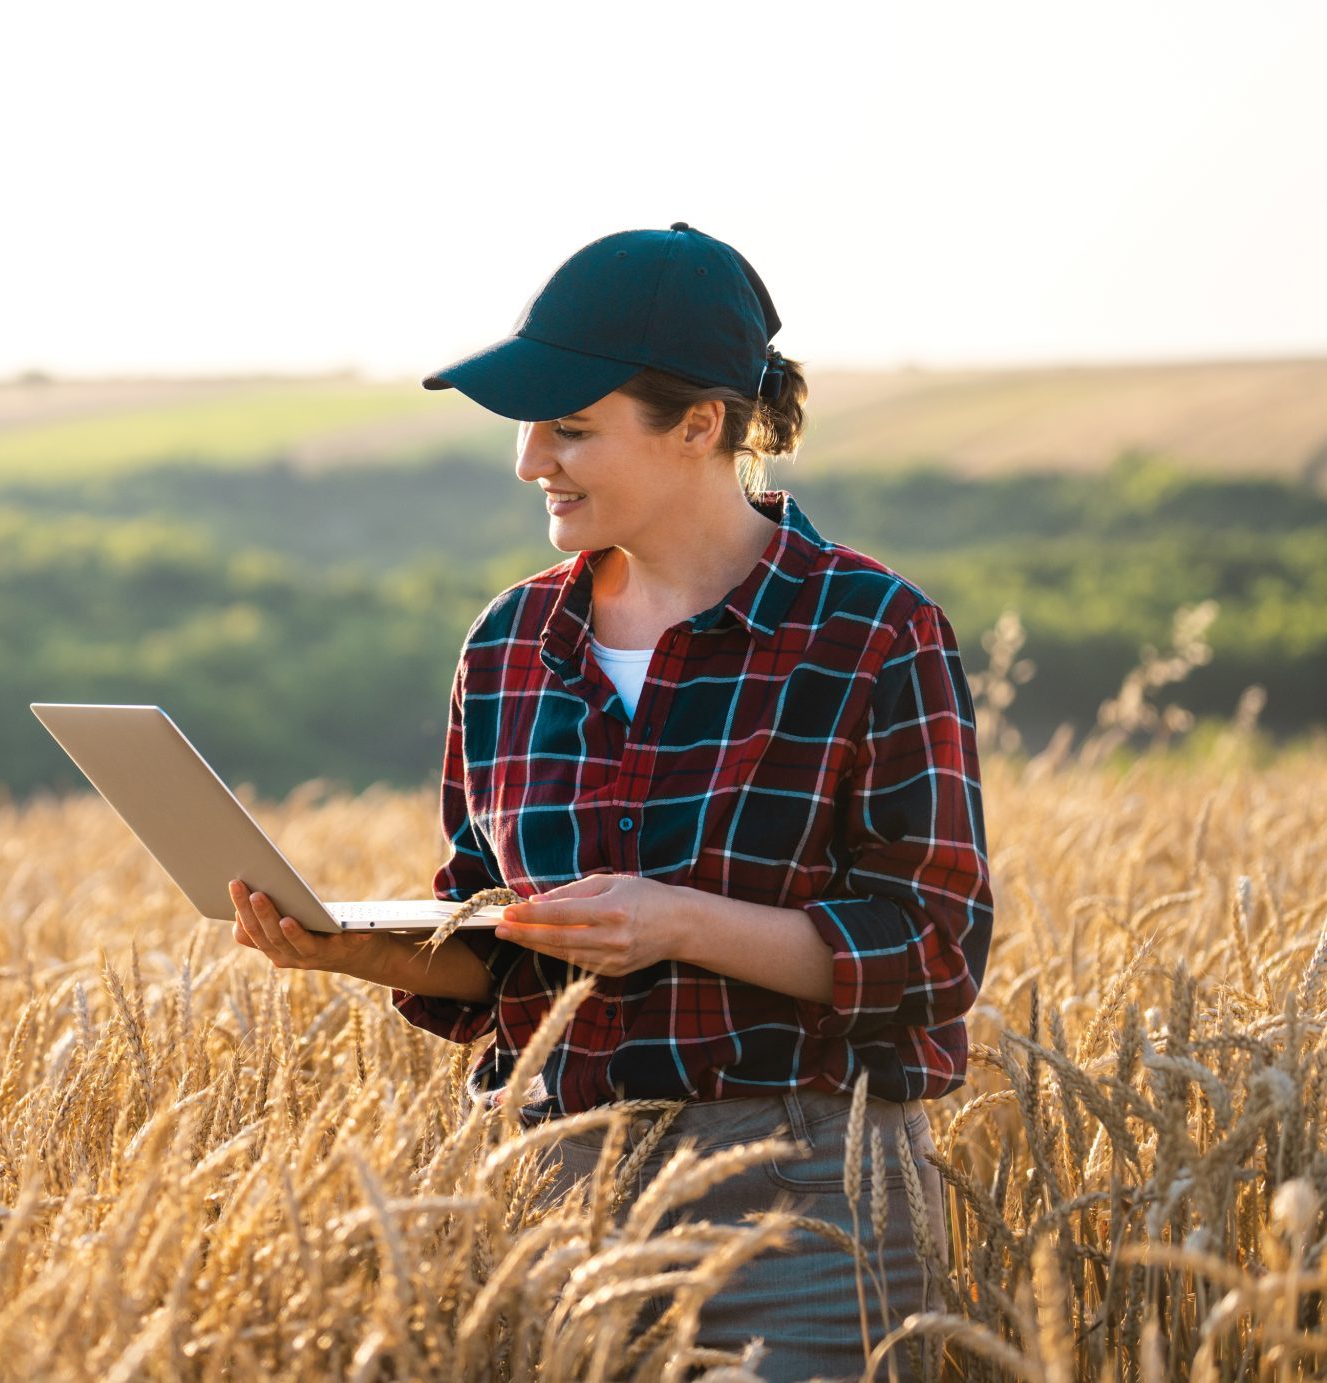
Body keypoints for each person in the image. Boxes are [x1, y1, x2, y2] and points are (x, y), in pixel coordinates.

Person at [226, 222, 992, 1382]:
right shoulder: (509, 644)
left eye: (571, 428)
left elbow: (931, 954)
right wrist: (350, 952)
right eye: (529, 428)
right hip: (553, 1192)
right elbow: (495, 947)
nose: (531, 460)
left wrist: (676, 923)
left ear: (701, 426)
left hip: (799, 1202)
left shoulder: (872, 631)